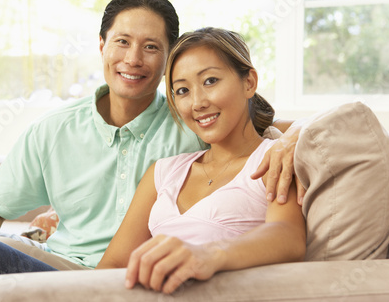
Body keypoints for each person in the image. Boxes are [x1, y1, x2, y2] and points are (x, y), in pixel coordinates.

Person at [0, 0, 299, 300]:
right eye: (122, 42)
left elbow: (271, 126)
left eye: (151, 47)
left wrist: (293, 139)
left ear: (166, 60)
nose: (133, 59)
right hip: (65, 266)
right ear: (102, 46)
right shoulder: (55, 130)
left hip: (111, 281)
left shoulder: (190, 119)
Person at [95, 27, 306, 294]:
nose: (197, 103)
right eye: (182, 90)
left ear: (249, 82)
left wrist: (208, 255)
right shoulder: (163, 172)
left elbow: (289, 236)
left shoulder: (272, 158)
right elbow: (112, 264)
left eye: (210, 81)